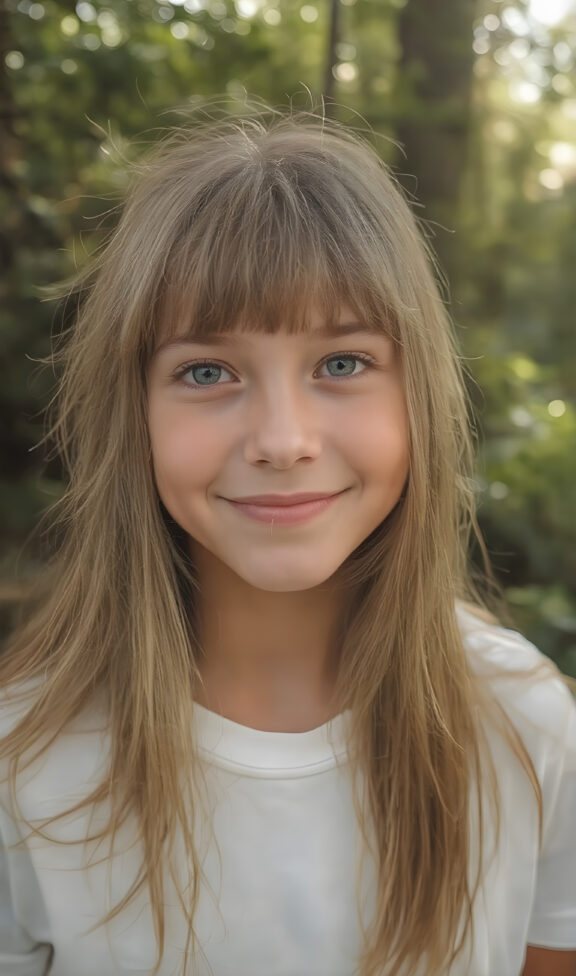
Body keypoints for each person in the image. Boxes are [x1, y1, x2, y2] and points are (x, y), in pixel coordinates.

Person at [0, 109, 575, 976]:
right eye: (207, 371)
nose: (283, 439)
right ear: (134, 415)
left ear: (418, 390)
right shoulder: (25, 763)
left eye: (342, 363)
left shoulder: (527, 730)